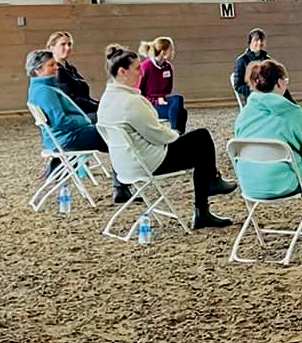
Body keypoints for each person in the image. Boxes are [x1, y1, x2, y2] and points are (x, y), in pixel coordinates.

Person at [98, 44, 237, 229]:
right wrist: (176, 134)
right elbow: (157, 135)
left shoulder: (106, 100)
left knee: (196, 141)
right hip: (148, 162)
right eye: (137, 69)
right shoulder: (130, 102)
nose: (141, 73)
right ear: (123, 72)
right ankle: (204, 203)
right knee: (201, 138)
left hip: (123, 166)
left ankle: (211, 184)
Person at [234, 60, 302, 249]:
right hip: (285, 184)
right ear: (280, 82)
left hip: (250, 185)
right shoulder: (291, 112)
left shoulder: (245, 113)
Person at [27, 50, 130, 202]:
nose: (56, 67)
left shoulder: (40, 88)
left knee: (111, 131)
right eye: (51, 65)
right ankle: (121, 187)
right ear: (37, 70)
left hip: (60, 137)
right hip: (68, 137)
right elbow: (61, 121)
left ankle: (122, 187)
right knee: (116, 134)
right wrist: (84, 120)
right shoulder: (44, 92)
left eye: (55, 64)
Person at [137, 36, 187, 134]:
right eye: (171, 50)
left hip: (161, 102)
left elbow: (168, 90)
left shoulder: (168, 67)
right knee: (179, 105)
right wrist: (155, 100)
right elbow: (138, 93)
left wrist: (161, 99)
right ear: (164, 53)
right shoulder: (146, 67)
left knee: (180, 110)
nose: (173, 53)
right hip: (149, 105)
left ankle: (176, 133)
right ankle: (175, 132)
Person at [233, 28, 296, 103]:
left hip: (270, 92)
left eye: (261, 40)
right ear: (250, 42)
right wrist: (255, 89)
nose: (259, 43)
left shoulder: (267, 59)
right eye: (256, 40)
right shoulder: (242, 61)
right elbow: (238, 86)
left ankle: (293, 106)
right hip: (255, 96)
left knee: (283, 90)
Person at [46, 31, 99, 115]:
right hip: (74, 114)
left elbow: (84, 95)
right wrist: (98, 107)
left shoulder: (71, 69)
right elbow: (71, 100)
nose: (67, 48)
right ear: (52, 48)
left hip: (83, 110)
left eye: (69, 44)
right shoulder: (56, 71)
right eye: (63, 44)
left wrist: (99, 104)